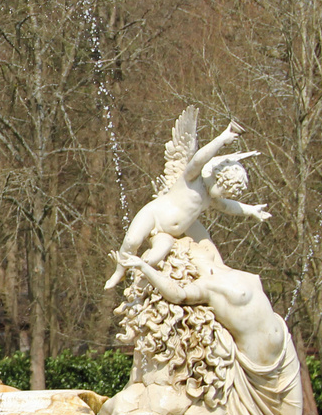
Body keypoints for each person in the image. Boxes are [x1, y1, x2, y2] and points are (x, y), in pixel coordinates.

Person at [112, 245, 303, 415]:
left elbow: (183, 217)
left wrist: (248, 212)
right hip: (257, 361)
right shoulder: (205, 286)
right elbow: (178, 294)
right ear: (185, 258)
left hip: (284, 343)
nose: (200, 246)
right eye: (193, 245)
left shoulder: (223, 267)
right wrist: (144, 267)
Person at [103, 118, 268, 290]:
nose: (224, 196)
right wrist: (222, 139)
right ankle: (119, 271)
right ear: (219, 177)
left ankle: (214, 281)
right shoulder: (192, 179)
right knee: (131, 240)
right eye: (224, 191)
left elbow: (228, 206)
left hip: (172, 233)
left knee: (156, 258)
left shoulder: (209, 197)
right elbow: (198, 159)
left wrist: (251, 210)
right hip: (155, 215)